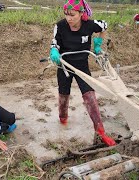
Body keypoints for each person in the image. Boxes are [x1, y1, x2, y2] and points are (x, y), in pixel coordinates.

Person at [49, 0, 116, 146]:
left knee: (90, 96)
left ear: (81, 14)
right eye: (66, 15)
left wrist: (98, 43)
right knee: (63, 94)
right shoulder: (60, 26)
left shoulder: (90, 25)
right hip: (64, 65)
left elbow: (104, 26)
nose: (69, 18)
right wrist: (54, 50)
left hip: (82, 66)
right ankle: (63, 117)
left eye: (72, 15)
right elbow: (54, 42)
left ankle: (101, 131)